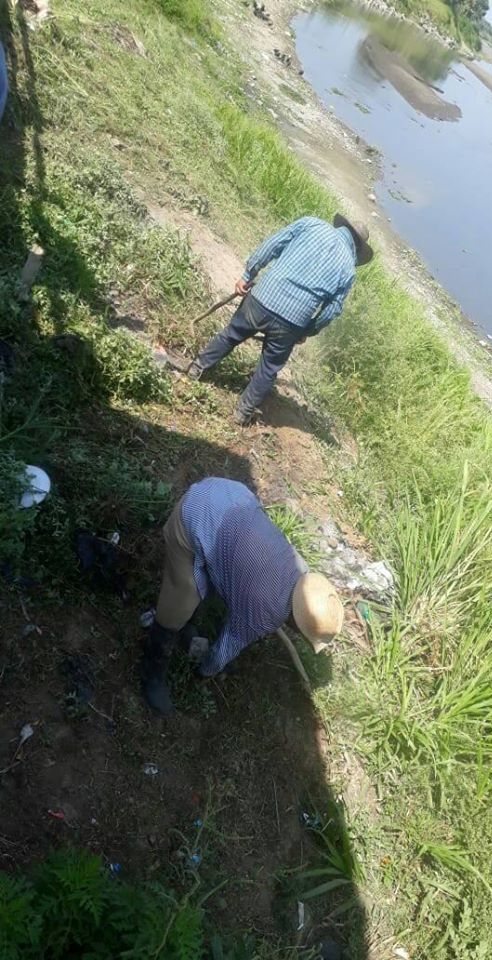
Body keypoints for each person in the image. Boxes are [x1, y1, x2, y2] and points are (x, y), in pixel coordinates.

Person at [141, 477, 344, 715]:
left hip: (229, 494)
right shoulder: (267, 613)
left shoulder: (302, 569)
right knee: (178, 605)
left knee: (218, 579)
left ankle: (189, 623)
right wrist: (204, 673)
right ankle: (152, 672)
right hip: (195, 515)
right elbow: (224, 649)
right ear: (297, 625)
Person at [187, 214, 373, 425]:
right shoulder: (348, 268)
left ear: (342, 226)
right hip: (291, 322)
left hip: (262, 298)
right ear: (357, 248)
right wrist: (307, 330)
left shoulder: (311, 224)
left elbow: (273, 245)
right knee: (269, 367)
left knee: (231, 335)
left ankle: (197, 368)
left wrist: (248, 275)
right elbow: (332, 310)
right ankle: (242, 413)